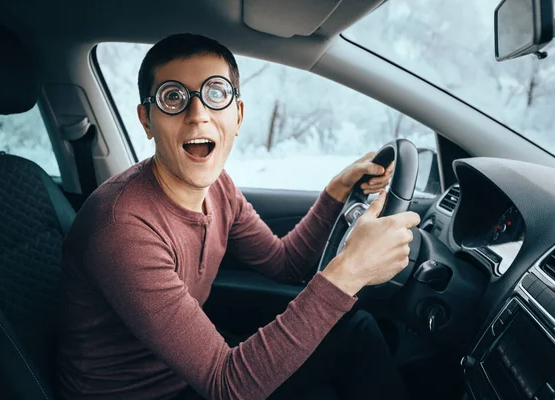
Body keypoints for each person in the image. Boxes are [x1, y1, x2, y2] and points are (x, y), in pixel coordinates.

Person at [56, 33, 420, 400]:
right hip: (144, 394)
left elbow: (285, 264)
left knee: (355, 331)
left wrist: (336, 191)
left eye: (216, 94)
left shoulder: (219, 188)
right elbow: (228, 387)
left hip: (185, 372)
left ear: (238, 115)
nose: (197, 115)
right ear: (147, 121)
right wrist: (352, 270)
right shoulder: (121, 230)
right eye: (172, 98)